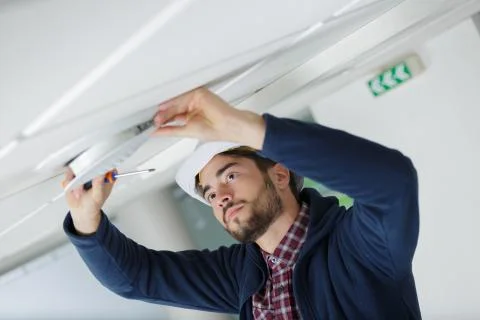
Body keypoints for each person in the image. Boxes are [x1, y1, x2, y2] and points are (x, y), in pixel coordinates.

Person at [62, 87, 421, 319]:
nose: (220, 197)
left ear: (279, 175)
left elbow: (393, 182)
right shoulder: (241, 275)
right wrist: (86, 219)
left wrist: (241, 127)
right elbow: (138, 279)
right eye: (211, 194)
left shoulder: (357, 249)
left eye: (230, 176)